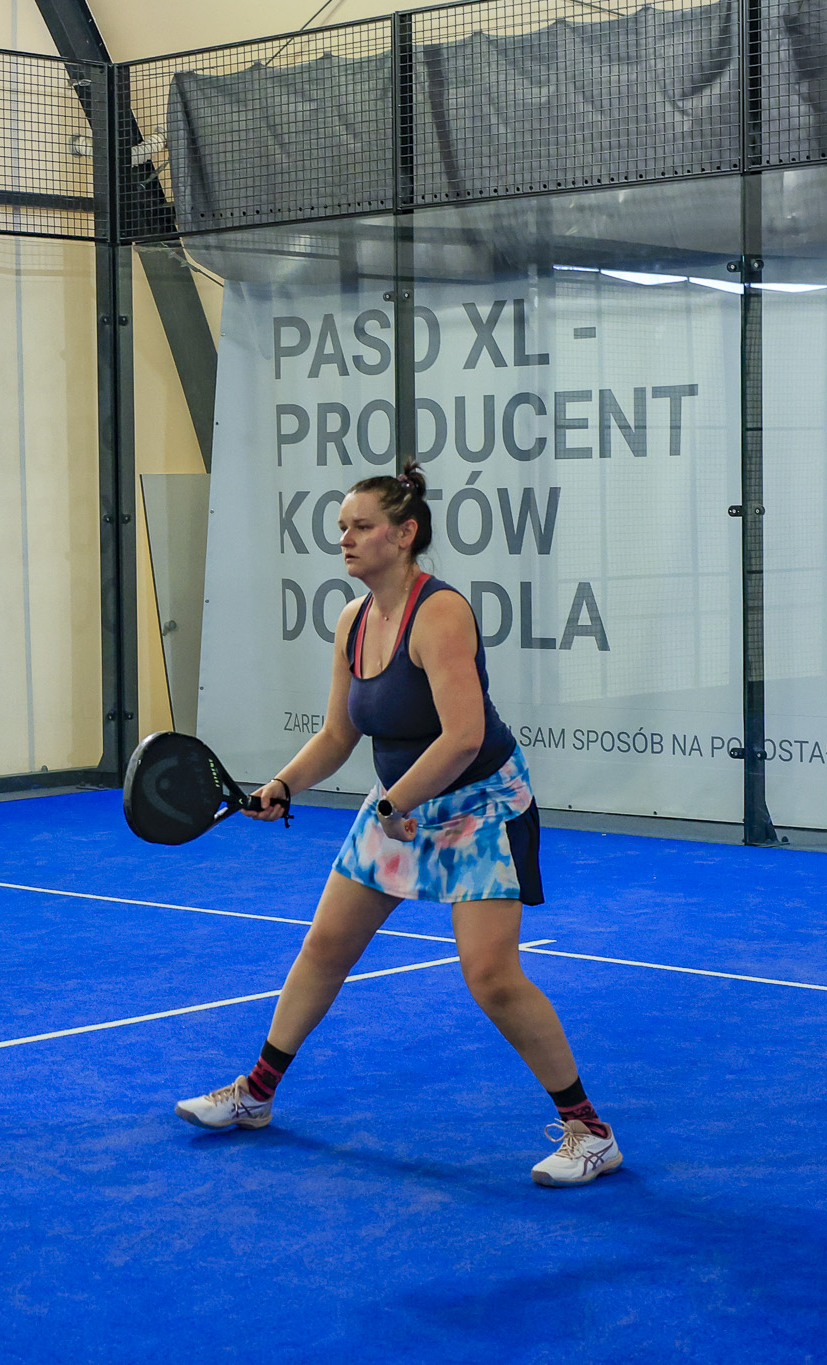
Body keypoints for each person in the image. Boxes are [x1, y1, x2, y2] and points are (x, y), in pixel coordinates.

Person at [173, 465, 620, 1187]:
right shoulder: (353, 620)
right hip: (403, 801)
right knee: (325, 945)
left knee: (493, 976)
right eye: (342, 526)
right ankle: (254, 1093)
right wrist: (284, 784)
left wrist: (394, 803)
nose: (344, 539)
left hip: (479, 805)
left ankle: (590, 1132)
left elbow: (464, 736)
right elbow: (337, 734)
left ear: (405, 533)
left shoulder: (440, 613)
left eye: (361, 525)